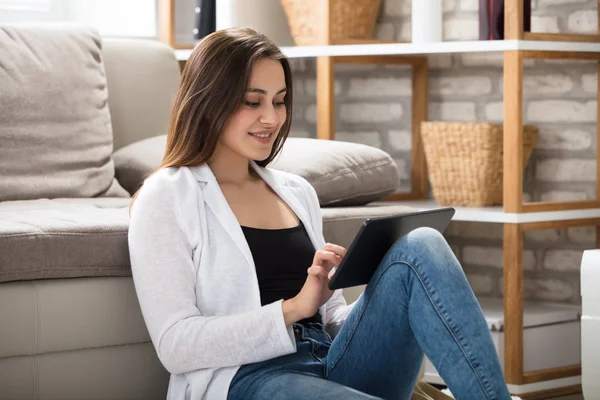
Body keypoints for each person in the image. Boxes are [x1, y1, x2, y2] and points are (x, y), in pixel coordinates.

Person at [128, 27, 512, 400]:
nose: (272, 118)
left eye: (279, 101)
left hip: (332, 362)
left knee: (420, 244)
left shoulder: (296, 192)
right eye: (252, 101)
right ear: (209, 102)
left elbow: (332, 319)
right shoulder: (168, 195)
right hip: (250, 378)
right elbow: (175, 345)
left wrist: (384, 311)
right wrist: (294, 308)